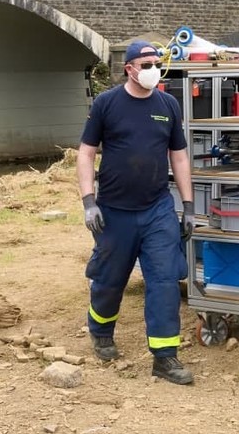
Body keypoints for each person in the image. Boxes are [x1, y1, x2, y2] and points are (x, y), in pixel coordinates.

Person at [77, 40, 196, 385]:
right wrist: (89, 202)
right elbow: (85, 154)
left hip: (157, 208)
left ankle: (165, 357)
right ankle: (100, 331)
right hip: (114, 210)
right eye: (146, 64)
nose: (153, 69)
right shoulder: (107, 103)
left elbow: (179, 157)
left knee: (164, 280)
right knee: (110, 278)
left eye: (156, 63)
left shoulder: (168, 104)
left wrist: (187, 206)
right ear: (129, 68)